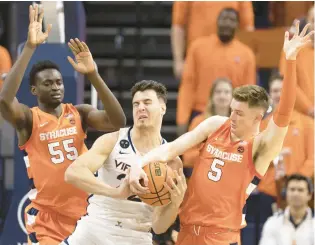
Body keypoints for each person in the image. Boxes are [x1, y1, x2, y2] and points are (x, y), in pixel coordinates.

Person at [129, 22, 314, 244]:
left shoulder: (261, 147)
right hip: (187, 231)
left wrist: (290, 60)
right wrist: (139, 165)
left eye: (239, 114)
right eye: (232, 110)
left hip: (220, 237)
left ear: (257, 118)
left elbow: (284, 112)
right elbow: (171, 149)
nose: (232, 117)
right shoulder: (216, 124)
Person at [0, 5, 126, 245]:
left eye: (59, 82)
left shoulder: (80, 113)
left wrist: (93, 75)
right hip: (49, 219)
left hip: (86, 214)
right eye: (48, 83)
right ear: (35, 90)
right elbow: (5, 102)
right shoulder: (29, 119)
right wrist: (29, 47)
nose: (56, 86)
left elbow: (118, 121)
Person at [61, 80, 187, 245]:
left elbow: (158, 226)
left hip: (136, 236)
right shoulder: (113, 140)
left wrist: (175, 204)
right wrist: (116, 193)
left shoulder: (172, 162)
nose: (141, 107)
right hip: (97, 228)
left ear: (162, 107)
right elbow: (73, 173)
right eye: (136, 104)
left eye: (147, 102)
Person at [176, 8, 256, 136]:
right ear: (217, 22)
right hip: (200, 114)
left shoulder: (247, 54)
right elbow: (187, 85)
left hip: (232, 118)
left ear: (237, 25)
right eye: (224, 19)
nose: (227, 23)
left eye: (232, 20)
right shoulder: (197, 47)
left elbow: (248, 94)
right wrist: (182, 119)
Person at [258, 73, 314, 219]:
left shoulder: (307, 124)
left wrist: (296, 183)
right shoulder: (262, 125)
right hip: (268, 193)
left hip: (298, 193)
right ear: (269, 95)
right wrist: (274, 157)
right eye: (275, 91)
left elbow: (312, 160)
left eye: (283, 90)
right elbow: (255, 159)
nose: (279, 94)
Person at [171, 2, 254, 79]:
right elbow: (178, 25)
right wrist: (178, 60)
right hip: (197, 58)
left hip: (231, 60)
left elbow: (247, 28)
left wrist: (246, 60)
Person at [183, 77, 233, 168]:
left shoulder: (239, 123)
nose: (222, 96)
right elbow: (187, 157)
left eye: (226, 92)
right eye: (218, 92)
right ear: (211, 96)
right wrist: (211, 153)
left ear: (233, 97)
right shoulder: (199, 121)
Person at [278, 5, 314, 118]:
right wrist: (309, 108)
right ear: (307, 22)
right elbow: (287, 81)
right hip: (300, 116)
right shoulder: (293, 48)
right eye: (313, 20)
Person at [259, 174, 314, 245]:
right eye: (292, 189)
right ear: (285, 193)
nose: (296, 193)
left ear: (309, 195)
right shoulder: (272, 223)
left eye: (300, 190)